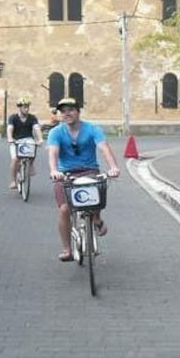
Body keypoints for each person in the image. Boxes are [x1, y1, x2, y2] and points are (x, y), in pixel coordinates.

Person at [47, 97, 121, 262]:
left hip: (89, 171)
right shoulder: (56, 132)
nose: (67, 114)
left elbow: (104, 148)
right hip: (65, 174)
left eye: (71, 110)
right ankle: (67, 248)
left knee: (96, 197)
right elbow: (53, 152)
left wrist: (113, 167)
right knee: (65, 209)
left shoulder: (92, 129)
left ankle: (96, 218)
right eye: (63, 111)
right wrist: (54, 170)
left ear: (78, 111)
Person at [6, 95, 43, 189]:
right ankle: (13, 181)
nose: (26, 109)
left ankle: (30, 165)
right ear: (19, 107)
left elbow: (36, 128)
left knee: (32, 147)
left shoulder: (32, 117)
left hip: (28, 139)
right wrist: (10, 138)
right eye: (24, 107)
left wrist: (40, 139)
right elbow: (10, 128)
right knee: (15, 160)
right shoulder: (13, 117)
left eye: (27, 107)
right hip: (16, 141)